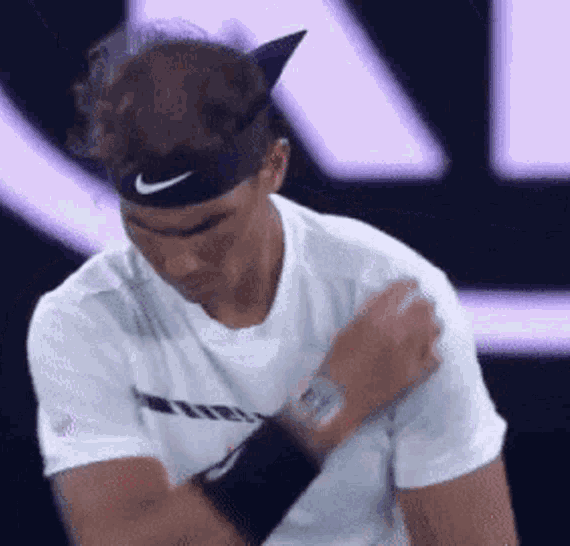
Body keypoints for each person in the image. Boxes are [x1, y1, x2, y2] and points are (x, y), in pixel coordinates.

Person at [27, 17, 516, 546]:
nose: (179, 263)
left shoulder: (388, 298)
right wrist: (329, 400)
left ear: (274, 166)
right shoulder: (82, 318)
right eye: (146, 229)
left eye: (208, 226)